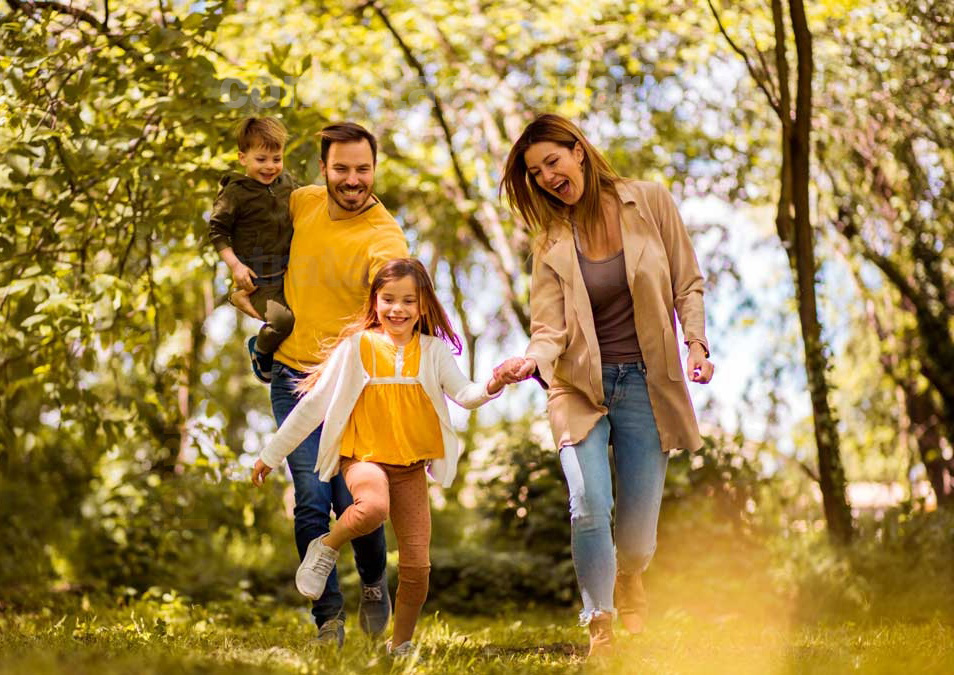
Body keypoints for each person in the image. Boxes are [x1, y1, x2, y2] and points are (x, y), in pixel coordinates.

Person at [496, 113, 715, 661]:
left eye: (552, 161)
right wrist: (529, 362)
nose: (547, 178)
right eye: (535, 172)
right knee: (588, 502)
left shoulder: (650, 202)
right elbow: (549, 328)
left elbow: (687, 283)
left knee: (637, 539)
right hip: (577, 386)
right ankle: (600, 624)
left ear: (578, 151)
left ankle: (630, 574)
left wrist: (696, 344)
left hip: (646, 382)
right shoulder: (550, 241)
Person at [251, 258, 507, 656]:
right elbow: (314, 405)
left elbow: (466, 394)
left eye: (408, 300)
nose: (397, 309)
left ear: (422, 305)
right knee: (372, 508)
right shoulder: (357, 346)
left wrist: (495, 382)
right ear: (374, 301)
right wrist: (271, 454)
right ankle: (326, 547)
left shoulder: (433, 351)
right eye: (388, 299)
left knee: (418, 567)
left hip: (410, 467)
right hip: (364, 459)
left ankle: (399, 645)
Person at [255, 122, 410, 646]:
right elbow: (254, 223)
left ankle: (373, 581)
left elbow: (397, 305)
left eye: (363, 169)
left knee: (354, 499)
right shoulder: (303, 202)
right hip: (292, 376)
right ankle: (327, 618)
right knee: (310, 498)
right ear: (323, 169)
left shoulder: (383, 238)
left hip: (351, 386)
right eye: (341, 168)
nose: (352, 179)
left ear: (375, 169)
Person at [208, 116, 297, 384]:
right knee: (283, 322)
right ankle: (260, 349)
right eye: (261, 159)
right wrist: (236, 266)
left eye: (276, 159)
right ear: (242, 158)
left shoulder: (286, 183)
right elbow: (217, 232)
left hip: (289, 271)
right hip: (259, 280)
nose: (270, 166)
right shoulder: (236, 193)